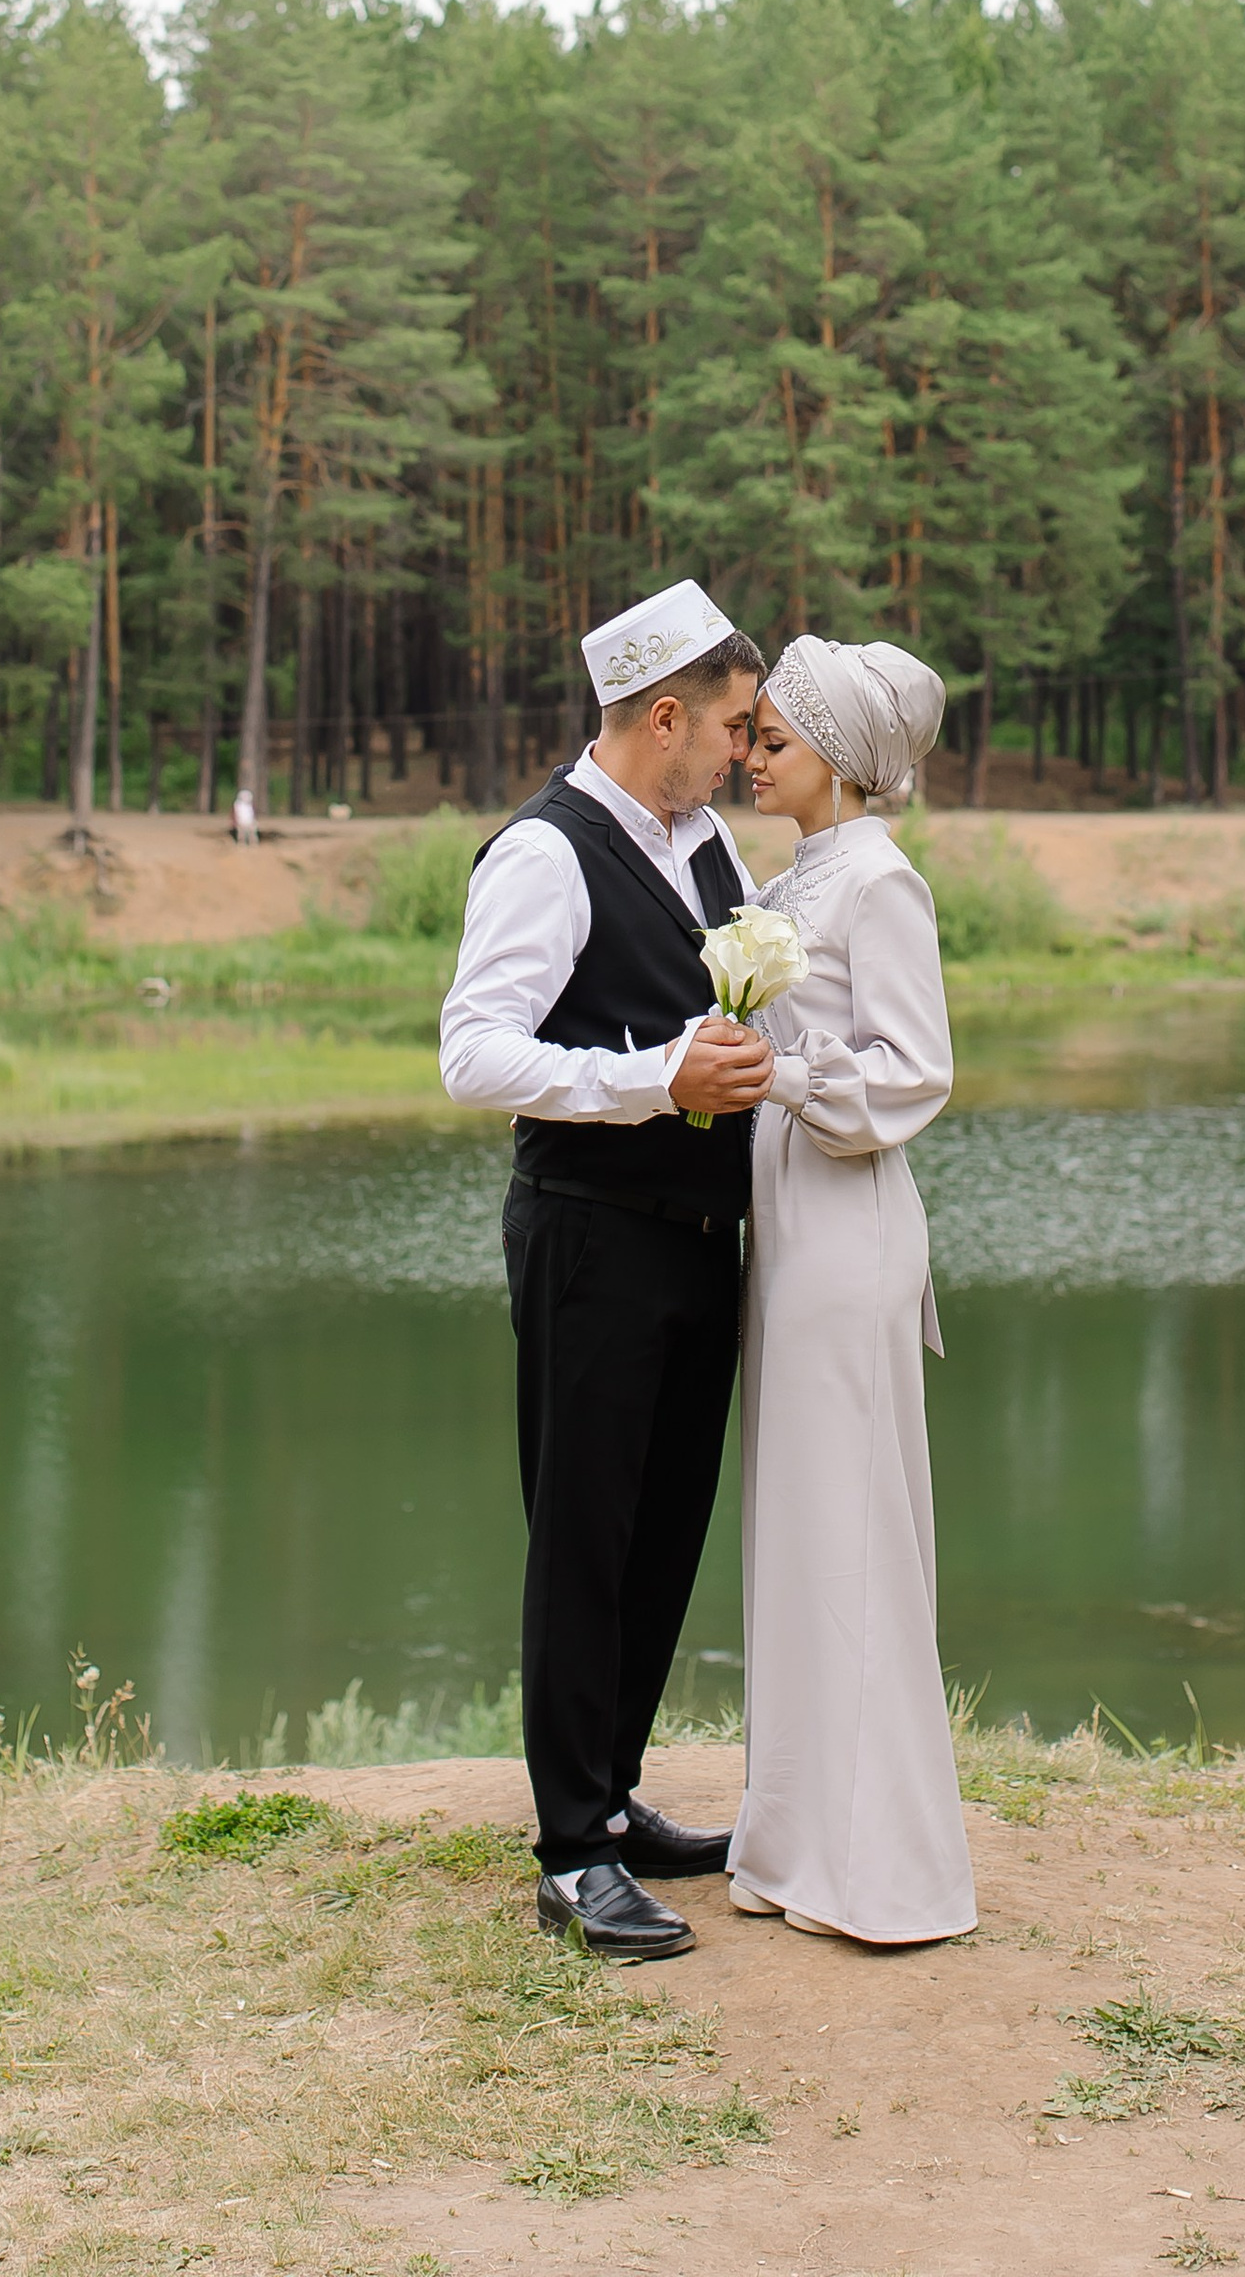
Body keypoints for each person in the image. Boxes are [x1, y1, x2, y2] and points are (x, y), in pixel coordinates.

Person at [439, 581, 771, 1962]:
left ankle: (619, 1800)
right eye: (736, 728)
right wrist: (657, 1077)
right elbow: (475, 1053)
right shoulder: (546, 853)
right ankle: (571, 1853)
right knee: (584, 1540)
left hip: (701, 1244)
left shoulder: (706, 845)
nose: (748, 754)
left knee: (660, 1534)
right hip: (590, 1239)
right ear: (666, 715)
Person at [728, 637, 976, 1948]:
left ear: (839, 755)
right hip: (789, 1228)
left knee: (854, 1535)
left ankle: (887, 1875)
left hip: (847, 1231)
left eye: (772, 738)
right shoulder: (802, 869)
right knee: (801, 1530)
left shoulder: (881, 882)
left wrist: (784, 1077)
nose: (750, 755)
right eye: (753, 735)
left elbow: (915, 1071)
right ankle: (795, 1841)